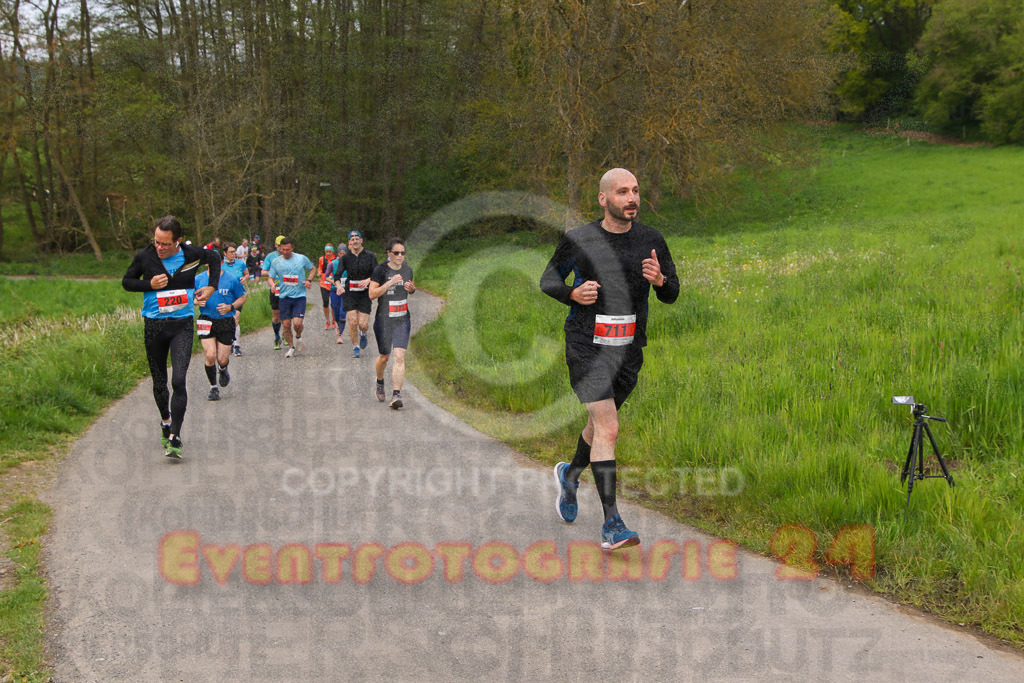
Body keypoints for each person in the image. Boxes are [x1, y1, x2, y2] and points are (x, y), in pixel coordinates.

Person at [541, 168, 679, 550]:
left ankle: (570, 475)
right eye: (622, 192)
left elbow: (672, 294)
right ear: (604, 199)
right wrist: (572, 294)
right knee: (610, 427)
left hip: (628, 350)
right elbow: (548, 280)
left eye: (635, 190)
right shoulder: (580, 239)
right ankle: (612, 524)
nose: (631, 198)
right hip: (586, 345)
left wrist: (661, 282)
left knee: (599, 426)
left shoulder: (652, 240)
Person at [122, 215, 221, 459]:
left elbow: (215, 257)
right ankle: (165, 422)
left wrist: (211, 286)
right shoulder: (145, 256)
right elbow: (126, 282)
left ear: (177, 241)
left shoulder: (191, 254)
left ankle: (175, 437)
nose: (160, 247)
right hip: (154, 327)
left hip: (182, 326)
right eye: (156, 241)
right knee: (159, 382)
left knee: (178, 380)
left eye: (165, 243)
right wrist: (150, 285)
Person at [369, 238, 415, 409]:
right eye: (396, 253)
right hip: (384, 321)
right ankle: (380, 381)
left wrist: (411, 289)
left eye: (403, 253)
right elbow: (372, 294)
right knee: (384, 357)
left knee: (399, 356)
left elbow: (410, 288)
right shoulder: (380, 271)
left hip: (403, 319)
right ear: (388, 253)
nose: (400, 256)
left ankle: (396, 394)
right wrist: (389, 283)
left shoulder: (407, 270)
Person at [194, 266, 246, 400]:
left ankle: (223, 369)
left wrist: (230, 307)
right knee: (210, 355)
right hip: (206, 319)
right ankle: (213, 388)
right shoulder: (199, 279)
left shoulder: (231, 279)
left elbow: (242, 298)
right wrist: (197, 301)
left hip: (225, 321)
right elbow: (190, 297)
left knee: (222, 359)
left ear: (220, 262)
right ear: (207, 264)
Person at [266, 237, 315, 358]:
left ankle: (298, 336)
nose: (286, 252)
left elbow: (313, 268)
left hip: (299, 296)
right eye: (283, 250)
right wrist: (272, 285)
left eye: (288, 249)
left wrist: (309, 280)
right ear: (280, 249)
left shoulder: (301, 258)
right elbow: (270, 277)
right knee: (286, 325)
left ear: (292, 248)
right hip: (284, 297)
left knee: (297, 324)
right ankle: (291, 347)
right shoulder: (276, 262)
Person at [336, 230, 378, 358]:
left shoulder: (370, 256)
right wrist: (338, 286)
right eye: (352, 239)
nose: (355, 241)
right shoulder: (345, 258)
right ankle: (355, 347)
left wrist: (369, 280)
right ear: (349, 242)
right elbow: (337, 275)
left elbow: (378, 274)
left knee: (363, 324)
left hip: (365, 294)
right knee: (353, 321)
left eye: (357, 238)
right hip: (350, 294)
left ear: (361, 240)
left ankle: (363, 334)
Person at [220, 243, 248, 356]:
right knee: (228, 319)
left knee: (235, 318)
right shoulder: (221, 266)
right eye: (231, 252)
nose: (233, 254)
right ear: (225, 253)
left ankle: (237, 346)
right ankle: (229, 343)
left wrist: (244, 278)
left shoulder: (240, 263)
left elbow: (247, 273)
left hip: (238, 295)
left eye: (234, 251)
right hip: (225, 296)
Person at [260, 235, 287, 349]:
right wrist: (274, 272)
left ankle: (286, 334)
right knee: (276, 315)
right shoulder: (271, 257)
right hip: (275, 289)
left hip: (288, 289)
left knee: (286, 315)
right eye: (280, 245)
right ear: (276, 245)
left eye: (284, 245)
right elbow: (263, 272)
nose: (282, 248)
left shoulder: (290, 256)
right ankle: (277, 337)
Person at [329, 244, 349, 344]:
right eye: (340, 253)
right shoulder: (332, 263)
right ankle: (337, 324)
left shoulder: (350, 263)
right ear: (337, 254)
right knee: (336, 310)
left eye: (344, 253)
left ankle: (340, 334)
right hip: (334, 290)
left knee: (342, 312)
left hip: (346, 291)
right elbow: (326, 277)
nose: (342, 255)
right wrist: (336, 283)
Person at [317, 244, 338, 330]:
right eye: (326, 251)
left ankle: (333, 321)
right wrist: (318, 272)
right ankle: (327, 321)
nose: (328, 253)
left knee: (333, 304)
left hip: (332, 284)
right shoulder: (322, 259)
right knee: (325, 303)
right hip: (323, 284)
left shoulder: (336, 259)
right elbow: (320, 268)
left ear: (333, 251)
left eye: (330, 251)